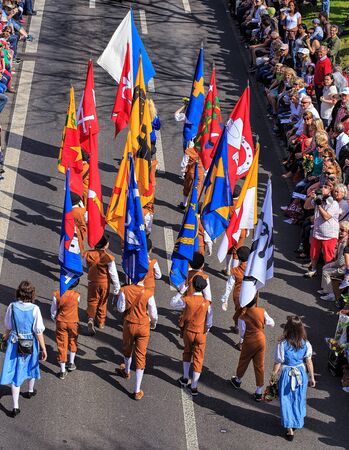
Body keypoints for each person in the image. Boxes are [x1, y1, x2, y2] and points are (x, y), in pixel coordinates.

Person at [0, 281, 47, 417]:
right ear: (32, 294)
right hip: (29, 342)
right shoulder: (35, 309)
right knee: (31, 365)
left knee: (16, 372)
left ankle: (15, 406)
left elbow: (8, 326)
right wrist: (43, 348)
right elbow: (38, 331)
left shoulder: (12, 307)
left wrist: (4, 339)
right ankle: (30, 390)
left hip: (15, 342)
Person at [270, 316, 315, 441]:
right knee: (298, 399)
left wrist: (273, 377)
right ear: (301, 329)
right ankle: (296, 421)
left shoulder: (282, 344)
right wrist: (311, 377)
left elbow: (278, 362)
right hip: (300, 374)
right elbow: (309, 361)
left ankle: (289, 428)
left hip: (287, 375)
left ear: (287, 328)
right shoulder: (306, 343)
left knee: (286, 400)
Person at [116, 276, 158, 400]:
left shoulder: (125, 290)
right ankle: (137, 390)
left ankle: (126, 371)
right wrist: (153, 323)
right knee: (141, 355)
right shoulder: (149, 293)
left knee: (127, 349)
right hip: (144, 326)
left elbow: (120, 309)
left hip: (129, 323)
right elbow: (153, 313)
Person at [170, 275, 212, 396]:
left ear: (192, 285)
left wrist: (181, 291)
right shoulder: (207, 303)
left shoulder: (187, 300)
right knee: (199, 358)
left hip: (188, 331)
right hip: (201, 332)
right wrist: (206, 329)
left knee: (187, 352)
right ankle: (194, 387)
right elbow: (209, 320)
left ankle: (185, 377)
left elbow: (172, 303)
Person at [230, 293, 275, 401]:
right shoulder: (262, 311)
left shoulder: (242, 317)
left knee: (244, 361)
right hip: (261, 340)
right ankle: (259, 391)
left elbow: (242, 334)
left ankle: (238, 380)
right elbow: (271, 323)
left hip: (249, 341)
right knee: (259, 365)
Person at [83, 234, 121, 335]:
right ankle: (101, 322)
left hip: (92, 282)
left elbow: (84, 264)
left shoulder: (88, 254)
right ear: (105, 246)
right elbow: (113, 274)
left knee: (92, 300)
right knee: (103, 302)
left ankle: (91, 318)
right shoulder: (109, 258)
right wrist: (117, 287)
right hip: (104, 283)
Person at [304, 183, 340, 278]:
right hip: (317, 232)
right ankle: (314, 270)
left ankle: (326, 276)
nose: (322, 188)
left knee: (328, 256)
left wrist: (319, 205)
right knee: (314, 253)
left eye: (326, 187)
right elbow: (306, 206)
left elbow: (326, 217)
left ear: (330, 192)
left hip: (329, 234)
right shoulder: (317, 199)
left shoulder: (334, 204)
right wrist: (311, 198)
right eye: (322, 187)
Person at [51, 279, 80, 380]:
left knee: (62, 344)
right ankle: (71, 362)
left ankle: (62, 371)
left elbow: (53, 311)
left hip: (61, 321)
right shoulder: (77, 296)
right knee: (73, 340)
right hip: (73, 322)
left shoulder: (57, 294)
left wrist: (54, 318)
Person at [220, 246, 250, 340]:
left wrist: (225, 299)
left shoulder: (236, 271)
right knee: (247, 315)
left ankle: (241, 337)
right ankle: (241, 334)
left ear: (239, 258)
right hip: (251, 295)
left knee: (240, 314)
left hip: (239, 296)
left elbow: (229, 285)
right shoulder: (254, 269)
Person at [318, 220, 349, 301]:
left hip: (344, 268)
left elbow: (341, 262)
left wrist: (331, 264)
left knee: (326, 271)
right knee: (325, 267)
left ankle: (331, 294)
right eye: (339, 229)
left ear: (347, 231)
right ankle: (326, 289)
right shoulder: (342, 240)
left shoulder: (345, 243)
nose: (340, 231)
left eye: (342, 230)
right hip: (342, 265)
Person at [314, 45, 332, 110]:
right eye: (318, 51)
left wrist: (321, 85)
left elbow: (327, 75)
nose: (319, 53)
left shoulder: (326, 62)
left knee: (321, 103)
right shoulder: (319, 60)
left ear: (326, 52)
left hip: (321, 86)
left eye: (321, 51)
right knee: (319, 103)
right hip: (317, 85)